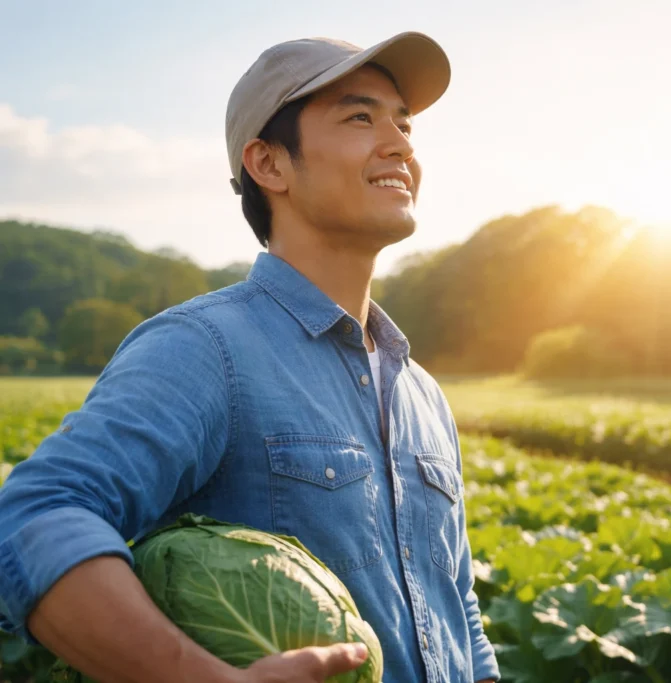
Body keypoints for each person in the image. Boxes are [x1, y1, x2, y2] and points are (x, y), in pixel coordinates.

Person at [0, 31, 499, 683]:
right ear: (269, 164)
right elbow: (34, 516)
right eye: (360, 116)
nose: (400, 142)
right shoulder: (204, 348)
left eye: (403, 123)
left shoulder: (421, 390)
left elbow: (455, 601)